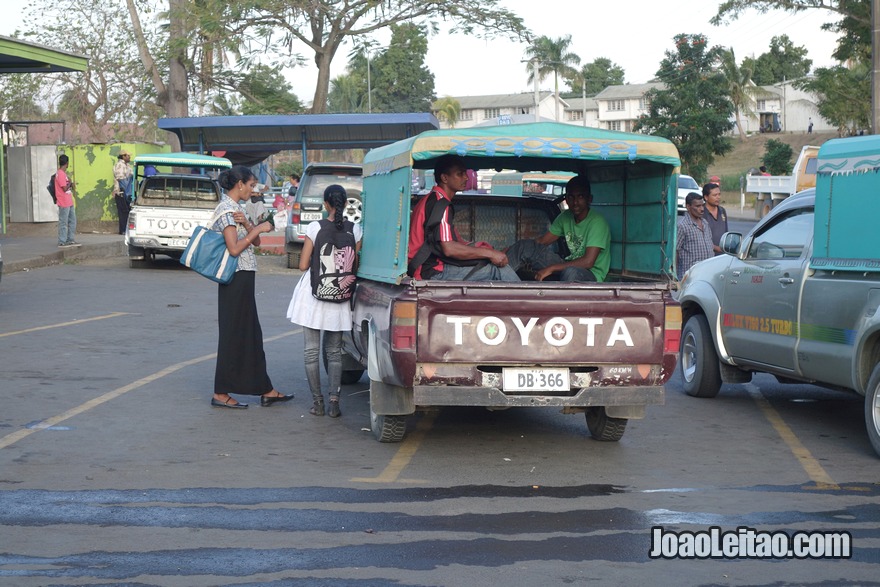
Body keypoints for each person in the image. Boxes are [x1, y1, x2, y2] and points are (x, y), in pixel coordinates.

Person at [210, 165, 293, 409]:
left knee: (250, 335)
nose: (252, 189)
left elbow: (255, 241)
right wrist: (256, 227)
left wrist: (249, 223)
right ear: (240, 185)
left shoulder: (237, 209)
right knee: (233, 334)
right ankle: (220, 392)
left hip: (244, 277)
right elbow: (234, 248)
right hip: (234, 277)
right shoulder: (226, 209)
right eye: (251, 185)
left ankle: (265, 389)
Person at [286, 184, 362, 418]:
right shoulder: (355, 229)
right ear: (346, 204)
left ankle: (317, 403)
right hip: (340, 296)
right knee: (334, 352)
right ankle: (335, 403)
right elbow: (354, 263)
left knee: (311, 351)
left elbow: (302, 265)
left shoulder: (314, 227)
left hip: (314, 294)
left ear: (326, 203)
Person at [407, 154, 519, 281]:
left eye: (465, 173)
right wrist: (491, 254)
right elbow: (449, 249)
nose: (466, 177)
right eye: (460, 174)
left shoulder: (429, 199)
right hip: (430, 271)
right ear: (444, 178)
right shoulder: (441, 204)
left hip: (425, 267)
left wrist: (479, 248)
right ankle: (527, 300)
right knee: (498, 270)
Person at [505, 175, 611, 282]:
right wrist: (510, 249)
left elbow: (588, 262)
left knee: (570, 272)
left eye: (580, 197)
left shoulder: (597, 222)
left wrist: (551, 268)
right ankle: (496, 282)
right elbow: (541, 242)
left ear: (589, 199)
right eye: (571, 197)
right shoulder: (565, 217)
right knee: (526, 246)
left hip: (590, 274)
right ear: (566, 199)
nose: (575, 202)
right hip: (567, 265)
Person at [676, 192, 715, 279]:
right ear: (688, 207)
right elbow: (676, 251)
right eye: (697, 206)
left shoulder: (705, 223)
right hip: (690, 276)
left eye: (702, 205)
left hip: (708, 274)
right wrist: (674, 275)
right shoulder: (682, 226)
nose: (702, 209)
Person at [55, 154, 80, 248]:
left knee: (72, 221)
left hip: (69, 201)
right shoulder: (60, 174)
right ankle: (62, 241)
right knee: (63, 222)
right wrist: (70, 184)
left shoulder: (64, 174)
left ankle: (70, 239)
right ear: (67, 163)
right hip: (63, 202)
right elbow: (65, 188)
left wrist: (70, 183)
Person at [701, 182, 728, 255]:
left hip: (722, 256)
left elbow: (726, 233)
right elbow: (700, 239)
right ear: (706, 197)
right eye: (715, 195)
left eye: (719, 194)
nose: (718, 197)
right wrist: (717, 248)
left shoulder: (722, 211)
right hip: (707, 255)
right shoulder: (701, 213)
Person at [112, 150, 133, 235]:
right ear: (123, 156)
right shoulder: (120, 165)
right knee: (123, 212)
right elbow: (121, 179)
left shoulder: (126, 165)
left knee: (126, 211)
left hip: (126, 192)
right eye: (128, 155)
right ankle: (123, 230)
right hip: (121, 192)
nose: (129, 157)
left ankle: (125, 229)